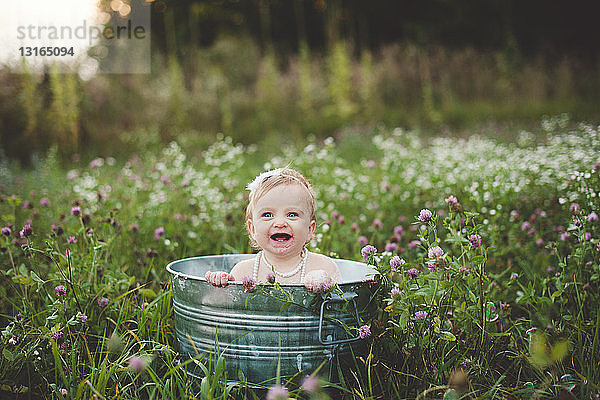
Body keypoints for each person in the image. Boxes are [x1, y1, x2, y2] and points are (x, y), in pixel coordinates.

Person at [205, 167, 341, 291]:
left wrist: (325, 283)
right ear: (252, 229)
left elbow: (340, 309)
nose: (280, 223)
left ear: (310, 229)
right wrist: (219, 285)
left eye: (292, 214)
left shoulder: (324, 266)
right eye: (267, 215)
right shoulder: (243, 271)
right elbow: (226, 310)